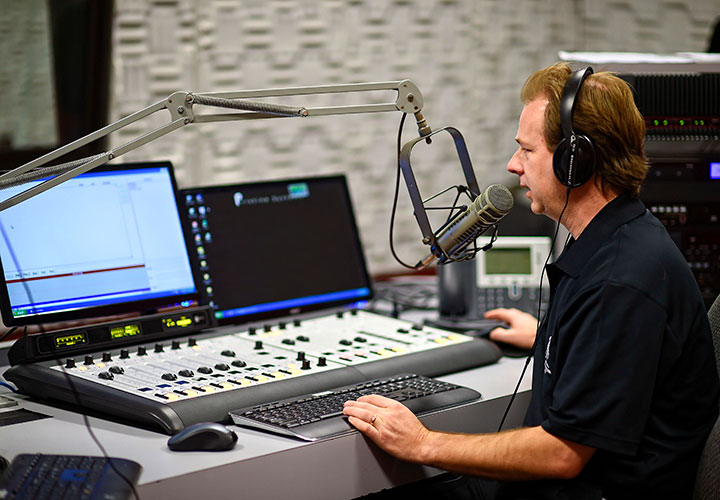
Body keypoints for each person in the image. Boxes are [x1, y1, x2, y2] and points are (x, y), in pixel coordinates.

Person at [343, 62, 720, 499]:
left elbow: (562, 453)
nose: (512, 165)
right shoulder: (618, 241)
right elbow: (611, 348)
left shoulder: (620, 280)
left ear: (573, 161)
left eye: (526, 150)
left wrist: (422, 442)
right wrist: (550, 337)